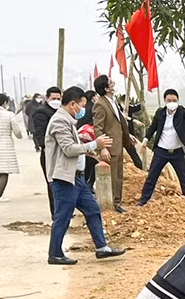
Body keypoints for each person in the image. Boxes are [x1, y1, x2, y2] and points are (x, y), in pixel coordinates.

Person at [42, 86, 126, 264]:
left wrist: (87, 153)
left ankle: (101, 248)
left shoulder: (68, 120)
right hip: (65, 178)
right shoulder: (59, 121)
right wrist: (94, 144)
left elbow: (74, 149)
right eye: (82, 105)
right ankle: (55, 253)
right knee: (63, 216)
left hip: (77, 178)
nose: (83, 110)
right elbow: (69, 149)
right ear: (73, 104)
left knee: (93, 210)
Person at [139, 89, 185, 204]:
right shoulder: (160, 113)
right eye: (169, 100)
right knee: (152, 177)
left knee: (184, 178)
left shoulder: (181, 111)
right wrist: (146, 139)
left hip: (177, 152)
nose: (171, 102)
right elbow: (153, 127)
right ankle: (143, 200)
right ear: (165, 101)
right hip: (161, 151)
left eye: (174, 100)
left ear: (177, 101)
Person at [91, 74, 136, 212]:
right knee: (112, 176)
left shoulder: (112, 101)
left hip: (118, 144)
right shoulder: (100, 104)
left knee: (118, 176)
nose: (113, 83)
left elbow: (119, 122)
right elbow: (98, 128)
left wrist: (128, 136)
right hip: (109, 146)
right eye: (110, 82)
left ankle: (117, 202)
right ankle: (110, 205)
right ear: (106, 88)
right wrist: (103, 148)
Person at [0, 93, 25, 204]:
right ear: (5, 102)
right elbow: (17, 131)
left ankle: (0, 194)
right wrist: (20, 136)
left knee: (0, 171)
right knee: (5, 171)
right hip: (6, 145)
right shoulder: (9, 115)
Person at [32, 87, 62, 216]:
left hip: (63, 153)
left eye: (58, 99)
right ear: (47, 98)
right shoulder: (41, 113)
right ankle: (55, 212)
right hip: (49, 154)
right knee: (52, 184)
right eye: (53, 98)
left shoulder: (61, 112)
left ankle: (63, 210)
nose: (56, 101)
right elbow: (41, 137)